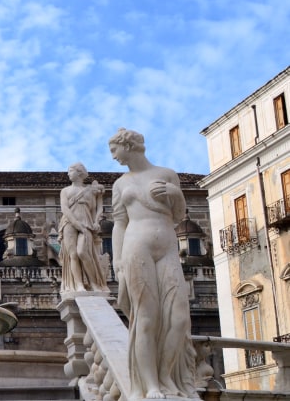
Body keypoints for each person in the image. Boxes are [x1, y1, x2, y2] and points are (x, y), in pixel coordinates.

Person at [109, 128, 197, 400]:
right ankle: (151, 386)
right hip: (136, 246)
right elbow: (119, 224)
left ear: (129, 145)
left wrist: (176, 193)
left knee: (179, 318)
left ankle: (166, 377)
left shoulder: (167, 174)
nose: (113, 156)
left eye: (114, 149)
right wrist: (118, 261)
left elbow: (179, 216)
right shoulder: (120, 184)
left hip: (168, 245)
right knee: (146, 318)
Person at [58, 162, 108, 293]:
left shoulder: (91, 191)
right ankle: (79, 285)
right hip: (69, 224)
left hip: (87, 225)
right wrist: (76, 224)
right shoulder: (65, 191)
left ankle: (94, 284)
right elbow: (64, 209)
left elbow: (99, 208)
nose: (68, 173)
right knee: (73, 255)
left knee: (83, 252)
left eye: (70, 170)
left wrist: (96, 221)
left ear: (79, 173)